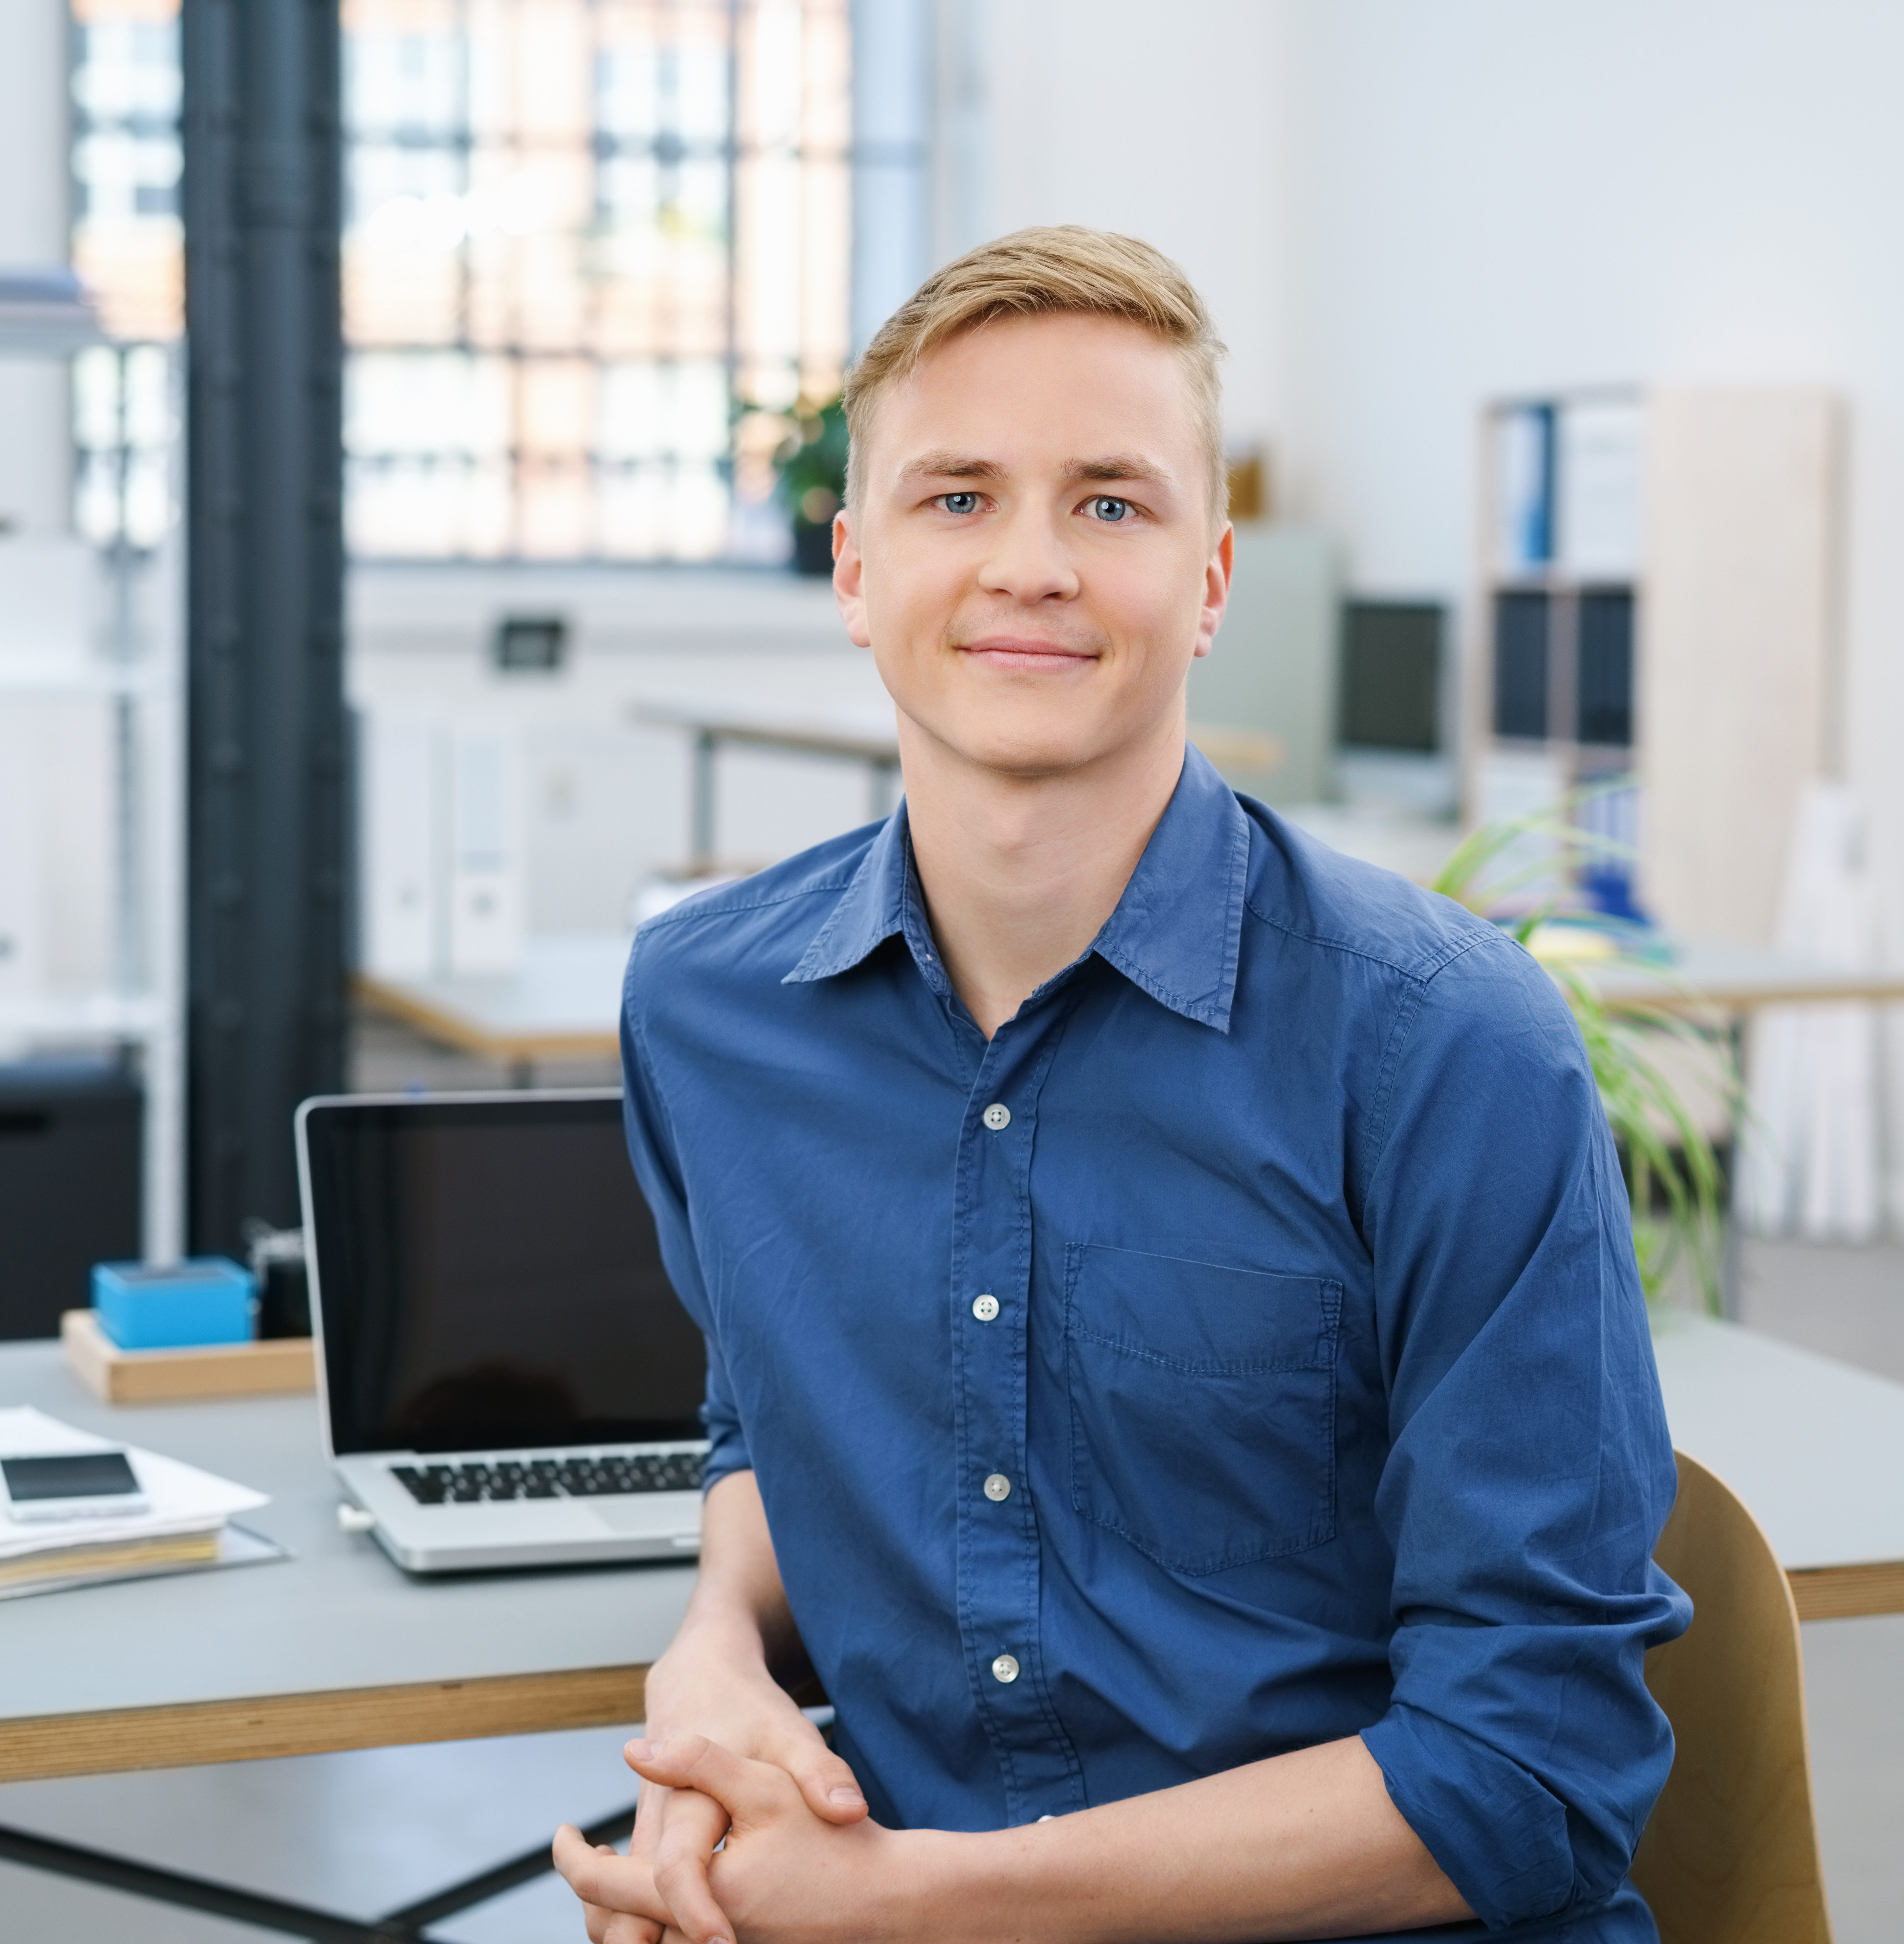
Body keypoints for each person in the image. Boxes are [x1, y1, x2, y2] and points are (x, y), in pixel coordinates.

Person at [555, 226, 1688, 1944]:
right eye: (957, 500)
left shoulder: (1451, 1046)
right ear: (854, 571)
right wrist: (719, 1644)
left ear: (1213, 579)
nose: (1031, 565)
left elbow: (1536, 1770)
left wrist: (911, 1907)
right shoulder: (706, 1008)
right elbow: (762, 1410)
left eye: (1111, 503)